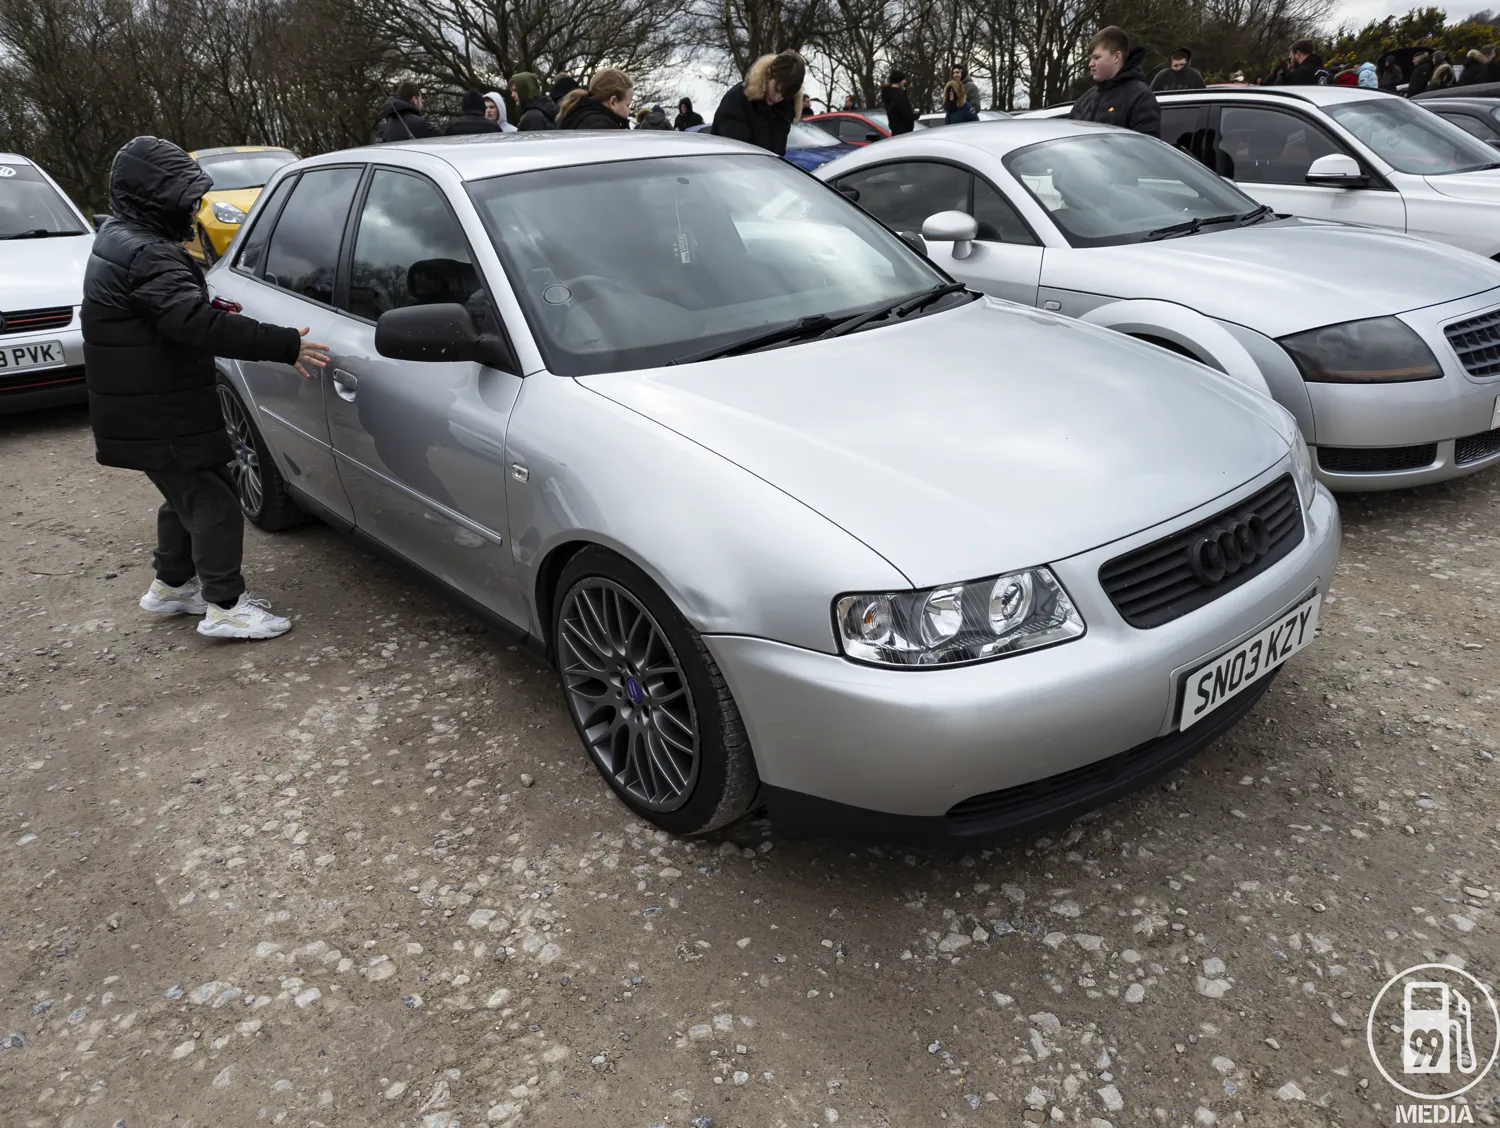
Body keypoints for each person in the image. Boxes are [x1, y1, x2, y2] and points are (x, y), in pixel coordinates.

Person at [82, 138, 328, 640]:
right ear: (158, 199)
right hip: (160, 406)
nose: (195, 211)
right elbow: (193, 324)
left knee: (188, 494)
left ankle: (174, 585)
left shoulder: (122, 239)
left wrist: (208, 308)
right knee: (213, 500)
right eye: (188, 200)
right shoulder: (149, 254)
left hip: (145, 401)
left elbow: (166, 312)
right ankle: (226, 606)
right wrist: (284, 344)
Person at [1069, 27, 1160, 138]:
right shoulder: (1085, 99)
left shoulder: (1140, 97)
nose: (1090, 64)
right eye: (1091, 58)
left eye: (1096, 57)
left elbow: (1146, 145)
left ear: (1116, 57)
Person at [711, 50, 806, 157]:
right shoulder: (737, 100)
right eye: (777, 90)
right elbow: (733, 153)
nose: (778, 98)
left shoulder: (785, 107)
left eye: (785, 95)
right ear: (768, 74)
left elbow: (778, 153)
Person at [557, 68, 634, 130]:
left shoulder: (577, 113)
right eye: (627, 105)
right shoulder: (604, 127)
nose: (629, 111)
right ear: (613, 102)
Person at [882, 70, 916, 134]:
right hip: (904, 131)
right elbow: (906, 114)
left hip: (896, 131)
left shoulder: (888, 94)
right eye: (903, 80)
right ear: (899, 81)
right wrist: (915, 115)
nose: (905, 81)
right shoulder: (899, 96)